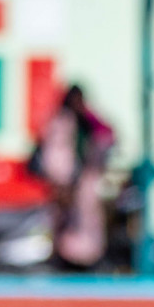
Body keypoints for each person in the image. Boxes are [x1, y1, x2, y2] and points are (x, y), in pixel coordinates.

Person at [33, 84, 114, 269]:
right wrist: (60, 182)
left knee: (87, 220)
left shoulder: (88, 121)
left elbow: (107, 136)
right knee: (59, 220)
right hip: (63, 183)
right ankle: (62, 258)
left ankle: (88, 259)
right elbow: (54, 156)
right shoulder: (60, 122)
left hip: (84, 183)